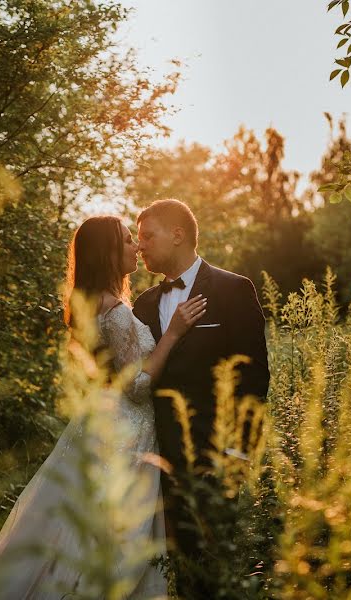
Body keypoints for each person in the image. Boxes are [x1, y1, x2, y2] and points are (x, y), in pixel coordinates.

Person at [0, 215, 207, 600]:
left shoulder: (90, 302)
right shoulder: (116, 310)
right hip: (126, 434)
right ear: (107, 251)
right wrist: (172, 334)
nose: (136, 247)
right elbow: (136, 386)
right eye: (126, 240)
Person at [132, 199, 270, 596]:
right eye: (137, 239)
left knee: (213, 569)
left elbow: (253, 378)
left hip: (214, 457)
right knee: (176, 570)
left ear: (178, 235)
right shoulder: (143, 304)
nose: (140, 246)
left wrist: (239, 453)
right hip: (156, 461)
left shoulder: (232, 290)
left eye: (147, 236)